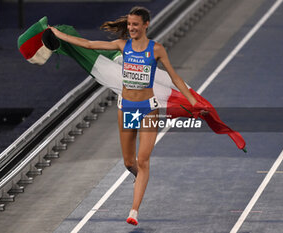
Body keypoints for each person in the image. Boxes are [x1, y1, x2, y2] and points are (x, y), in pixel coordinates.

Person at [49, 6, 203, 226]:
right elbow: (90, 45)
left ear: (145, 25)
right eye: (129, 24)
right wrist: (59, 35)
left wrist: (193, 101)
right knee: (129, 162)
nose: (131, 28)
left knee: (143, 160)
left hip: (148, 108)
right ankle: (139, 177)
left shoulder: (156, 49)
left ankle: (134, 211)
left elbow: (175, 78)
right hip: (127, 108)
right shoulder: (122, 46)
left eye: (135, 25)